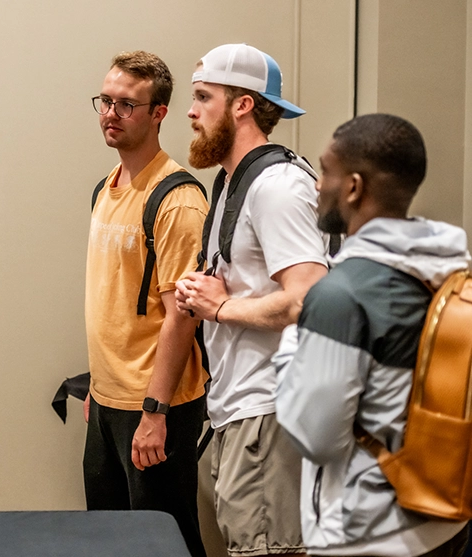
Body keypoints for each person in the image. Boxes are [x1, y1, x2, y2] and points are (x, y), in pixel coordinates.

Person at [274, 113, 471, 557]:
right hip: (444, 518)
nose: (317, 184)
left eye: (325, 170)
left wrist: (293, 340)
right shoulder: (451, 270)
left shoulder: (342, 296)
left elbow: (314, 436)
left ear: (354, 187)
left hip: (371, 533)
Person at [174, 43, 328, 557]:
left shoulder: (277, 187)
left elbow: (306, 300)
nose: (190, 112)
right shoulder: (233, 182)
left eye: (202, 97)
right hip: (238, 412)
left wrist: (219, 309)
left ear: (242, 104)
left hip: (269, 411)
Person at [84, 51, 208, 557]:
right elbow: (111, 298)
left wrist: (154, 412)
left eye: (127, 105)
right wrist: (98, 388)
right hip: (107, 401)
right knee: (109, 544)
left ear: (159, 113)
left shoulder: (177, 200)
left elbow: (180, 315)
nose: (111, 113)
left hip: (155, 406)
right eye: (106, 101)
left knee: (165, 545)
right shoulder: (105, 189)